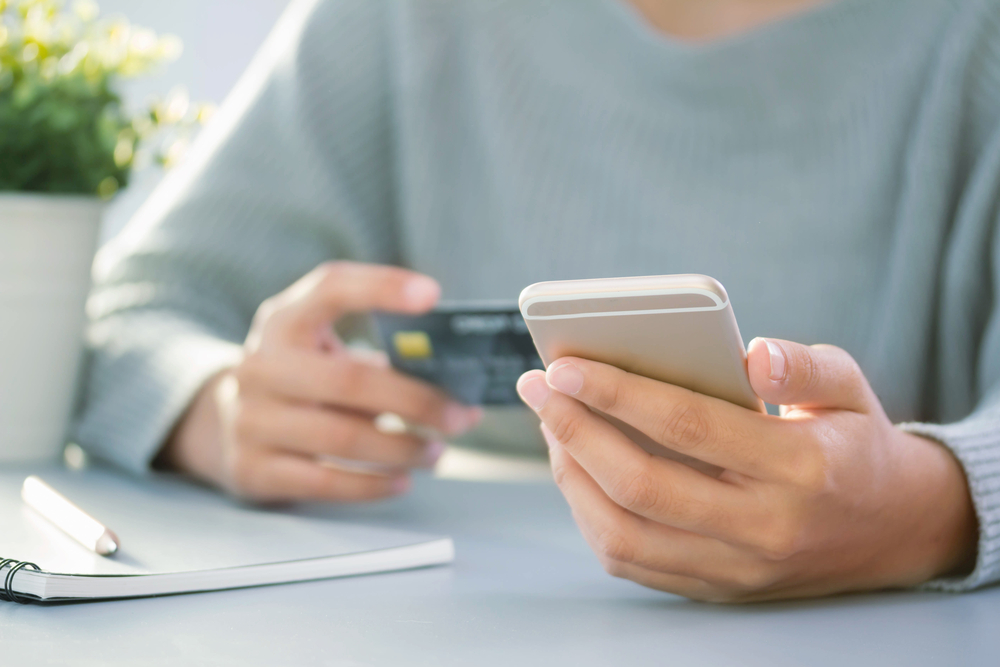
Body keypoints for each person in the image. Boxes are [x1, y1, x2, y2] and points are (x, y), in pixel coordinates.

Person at [75, 0, 1000, 601]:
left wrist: (930, 505)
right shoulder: (405, 22)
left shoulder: (970, 41)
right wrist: (218, 409)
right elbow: (123, 311)